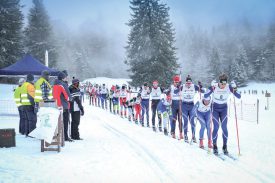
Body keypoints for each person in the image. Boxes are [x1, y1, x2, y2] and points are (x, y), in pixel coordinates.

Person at [204, 73, 241, 155]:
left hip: (224, 109)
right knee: (216, 127)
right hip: (215, 109)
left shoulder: (228, 87)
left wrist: (235, 88)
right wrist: (211, 87)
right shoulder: (215, 86)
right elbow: (205, 95)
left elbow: (238, 96)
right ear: (219, 82)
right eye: (221, 83)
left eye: (224, 83)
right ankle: (215, 145)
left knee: (224, 127)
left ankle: (225, 146)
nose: (223, 85)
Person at [52, 71, 73, 142]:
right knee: (65, 122)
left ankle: (59, 136)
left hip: (56, 105)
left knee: (58, 122)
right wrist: (70, 98)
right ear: (63, 78)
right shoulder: (63, 85)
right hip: (64, 106)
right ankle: (65, 137)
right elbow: (67, 96)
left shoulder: (54, 85)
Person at [182, 75, 201, 143]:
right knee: (185, 121)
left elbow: (201, 90)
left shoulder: (194, 86)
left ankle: (193, 136)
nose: (188, 84)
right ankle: (185, 135)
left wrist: (200, 86)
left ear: (191, 83)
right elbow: (175, 91)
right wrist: (178, 85)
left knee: (192, 121)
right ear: (185, 82)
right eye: (187, 83)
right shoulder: (182, 86)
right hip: (184, 105)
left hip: (191, 105)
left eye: (190, 83)